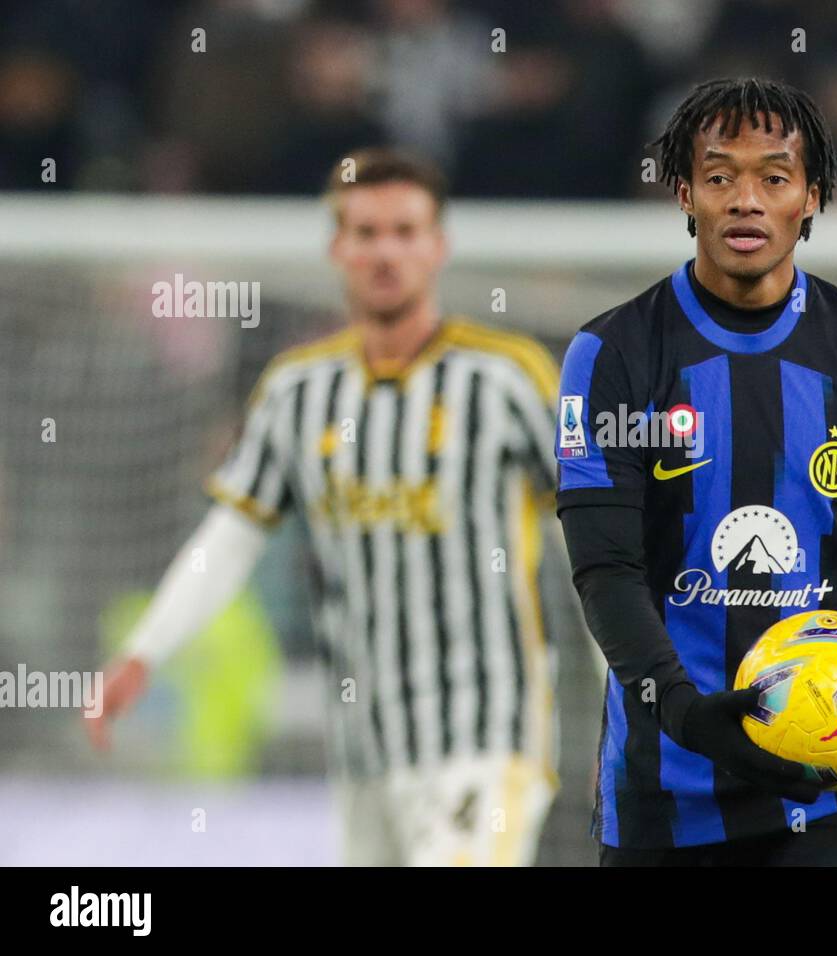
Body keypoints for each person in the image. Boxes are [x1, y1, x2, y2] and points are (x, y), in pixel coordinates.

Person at [86, 148, 563, 866]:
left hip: (485, 739)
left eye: (405, 231)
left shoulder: (506, 378)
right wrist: (145, 650)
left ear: (438, 246)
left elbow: (596, 528)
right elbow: (234, 534)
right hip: (364, 749)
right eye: (366, 232)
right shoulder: (296, 390)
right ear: (336, 247)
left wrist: (649, 674)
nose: (385, 252)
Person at [556, 77, 837, 865]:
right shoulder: (611, 354)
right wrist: (683, 710)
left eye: (773, 177)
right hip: (670, 785)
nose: (746, 200)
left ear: (810, 198)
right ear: (685, 194)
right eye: (720, 177)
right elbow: (606, 568)